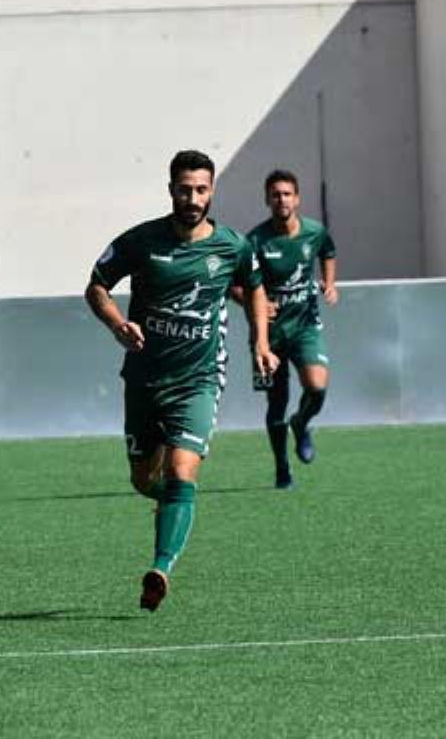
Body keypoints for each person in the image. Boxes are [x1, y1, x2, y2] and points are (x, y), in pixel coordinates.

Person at [85, 149, 277, 612]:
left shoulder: (232, 246)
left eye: (201, 190)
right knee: (142, 479)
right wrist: (117, 324)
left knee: (181, 470)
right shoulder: (141, 241)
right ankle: (171, 504)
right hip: (145, 380)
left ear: (212, 191)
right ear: (171, 189)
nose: (193, 198)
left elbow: (254, 287)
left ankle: (160, 567)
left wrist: (260, 342)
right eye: (185, 189)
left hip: (200, 379)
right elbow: (96, 285)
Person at [234, 169, 338, 489]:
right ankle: (282, 469)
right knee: (276, 403)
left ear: (297, 198)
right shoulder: (254, 241)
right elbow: (233, 284)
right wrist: (255, 305)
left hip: (305, 324)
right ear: (267, 199)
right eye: (276, 194)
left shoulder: (314, 231)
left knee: (317, 386)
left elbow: (328, 251)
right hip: (268, 335)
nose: (282, 199)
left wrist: (330, 284)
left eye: (287, 194)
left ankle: (302, 422)